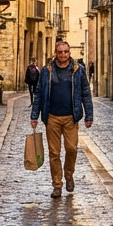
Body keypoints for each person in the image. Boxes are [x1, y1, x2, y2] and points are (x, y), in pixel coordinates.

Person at [30, 40, 94, 198]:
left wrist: (89, 115)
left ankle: (69, 175)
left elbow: (85, 93)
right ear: (56, 53)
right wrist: (34, 116)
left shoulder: (78, 70)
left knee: (72, 149)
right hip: (52, 117)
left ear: (69, 52)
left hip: (71, 118)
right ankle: (57, 184)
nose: (63, 55)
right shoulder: (47, 70)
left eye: (66, 51)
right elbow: (39, 93)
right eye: (60, 52)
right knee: (54, 153)